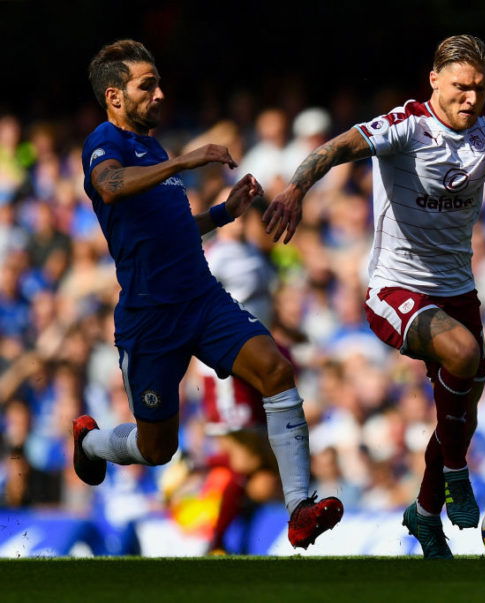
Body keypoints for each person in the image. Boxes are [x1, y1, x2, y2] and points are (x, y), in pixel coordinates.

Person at [266, 34, 485, 558]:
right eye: (461, 87)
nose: (471, 98)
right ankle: (456, 476)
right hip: (394, 290)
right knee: (463, 358)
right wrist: (294, 189)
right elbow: (335, 149)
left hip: (459, 294)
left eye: (480, 87)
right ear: (435, 80)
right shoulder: (407, 125)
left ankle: (424, 515)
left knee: (459, 411)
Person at [72, 39, 343, 550]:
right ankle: (89, 441)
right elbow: (109, 186)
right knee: (158, 449)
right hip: (150, 317)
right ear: (114, 96)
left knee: (277, 371)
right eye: (146, 85)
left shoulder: (153, 150)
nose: (159, 94)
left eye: (158, 83)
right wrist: (186, 161)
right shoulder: (103, 142)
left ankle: (300, 510)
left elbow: (172, 231)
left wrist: (222, 215)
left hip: (202, 299)